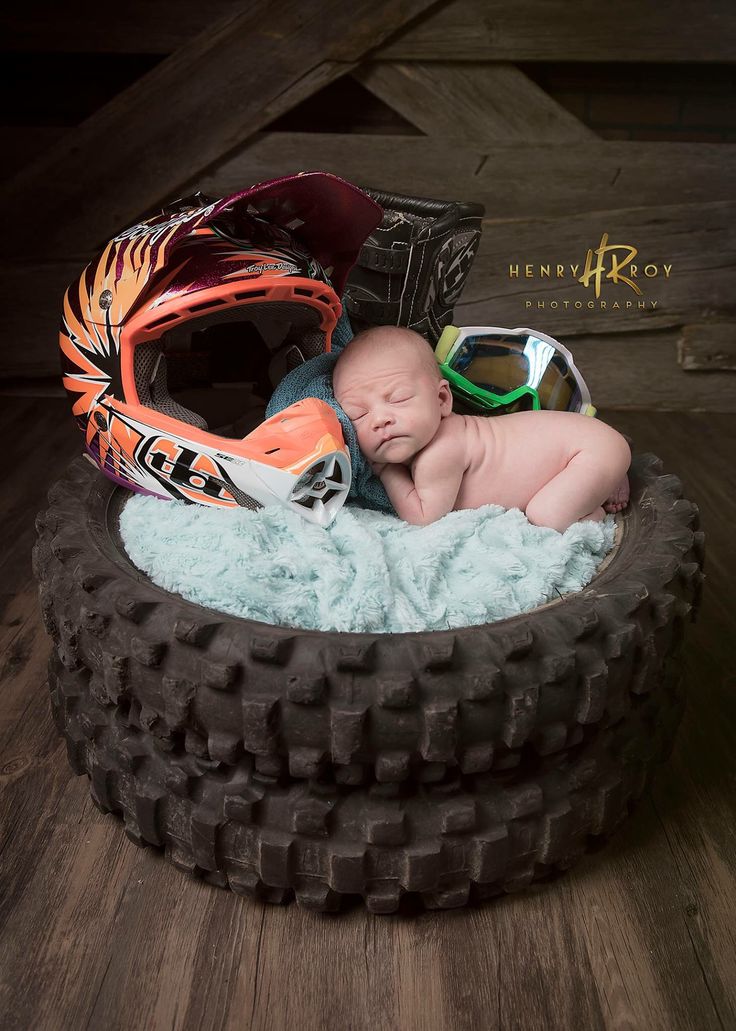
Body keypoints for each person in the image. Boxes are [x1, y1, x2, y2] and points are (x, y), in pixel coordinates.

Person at [332, 326, 631, 532]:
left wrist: (385, 470)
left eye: (398, 399)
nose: (379, 419)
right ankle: (606, 476)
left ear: (441, 399)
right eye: (358, 415)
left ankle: (595, 509)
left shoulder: (440, 452)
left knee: (546, 517)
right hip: (588, 440)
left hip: (586, 450)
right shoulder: (446, 437)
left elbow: (423, 518)